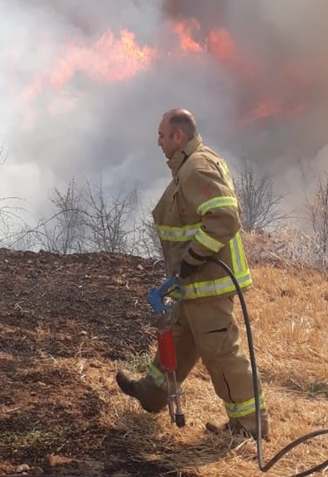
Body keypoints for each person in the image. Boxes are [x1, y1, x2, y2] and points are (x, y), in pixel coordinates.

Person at [116, 108, 269, 439]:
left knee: (221, 352)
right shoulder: (189, 167)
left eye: (161, 135)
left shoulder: (197, 168)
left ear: (178, 136)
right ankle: (152, 395)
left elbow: (225, 218)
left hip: (209, 283)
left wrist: (191, 260)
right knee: (181, 341)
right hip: (193, 284)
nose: (157, 142)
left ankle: (249, 425)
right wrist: (179, 277)